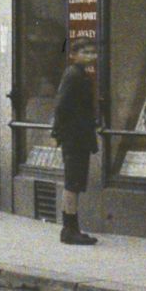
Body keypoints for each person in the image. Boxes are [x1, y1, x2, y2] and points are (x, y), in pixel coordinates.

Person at [51, 45, 101, 246]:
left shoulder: (79, 74)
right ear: (73, 55)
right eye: (85, 52)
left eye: (93, 52)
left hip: (77, 136)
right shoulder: (73, 75)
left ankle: (72, 228)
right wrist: (59, 132)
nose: (91, 56)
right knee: (73, 183)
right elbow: (61, 105)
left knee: (75, 182)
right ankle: (69, 228)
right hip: (75, 138)